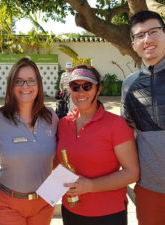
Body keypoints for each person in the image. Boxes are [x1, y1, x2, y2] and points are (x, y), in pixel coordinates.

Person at [121, 10, 165, 225]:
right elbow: (127, 132)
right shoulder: (129, 85)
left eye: (153, 32)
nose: (147, 40)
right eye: (140, 36)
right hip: (150, 189)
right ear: (133, 45)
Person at [57, 65, 139, 225]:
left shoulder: (116, 124)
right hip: (71, 209)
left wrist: (91, 186)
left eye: (87, 86)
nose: (81, 92)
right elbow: (62, 165)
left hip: (108, 213)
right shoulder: (64, 124)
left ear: (98, 89)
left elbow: (132, 173)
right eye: (75, 87)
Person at [0, 57, 59, 225]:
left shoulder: (51, 117)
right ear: (11, 86)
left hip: (44, 203)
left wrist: (53, 193)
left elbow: (60, 157)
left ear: (39, 84)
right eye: (19, 81)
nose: (25, 86)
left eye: (31, 81)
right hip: (8, 205)